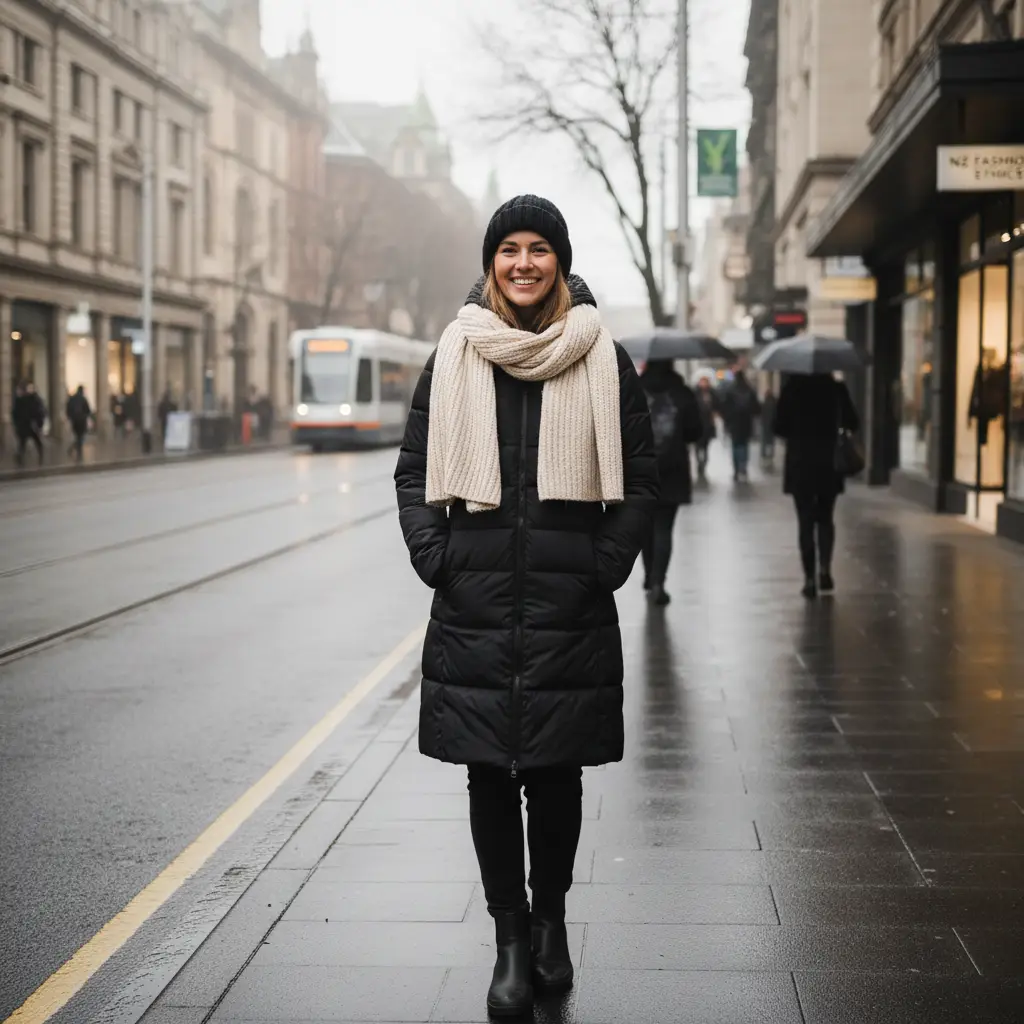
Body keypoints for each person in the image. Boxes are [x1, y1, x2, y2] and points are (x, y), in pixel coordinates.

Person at [395, 195, 657, 1018]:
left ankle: (551, 925)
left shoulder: (602, 357)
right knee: (486, 777)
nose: (522, 263)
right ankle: (510, 940)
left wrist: (605, 564)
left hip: (565, 599)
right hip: (473, 597)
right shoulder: (454, 353)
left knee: (553, 776)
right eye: (508, 248)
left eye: (538, 248)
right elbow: (411, 470)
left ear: (560, 261)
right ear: (491, 262)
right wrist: (435, 558)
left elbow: (643, 474)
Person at [773, 372, 860, 598]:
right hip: (828, 462)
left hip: (800, 463)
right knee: (825, 517)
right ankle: (825, 569)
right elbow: (853, 422)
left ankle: (809, 578)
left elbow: (778, 427)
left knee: (805, 521)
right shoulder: (836, 388)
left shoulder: (791, 389)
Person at [639, 360, 704, 605]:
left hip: (642, 468)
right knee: (664, 527)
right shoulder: (681, 393)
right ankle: (658, 581)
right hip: (673, 469)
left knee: (645, 526)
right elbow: (696, 432)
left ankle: (648, 575)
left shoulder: (635, 388)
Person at [720, 369, 761, 481]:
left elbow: (724, 408)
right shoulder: (750, 390)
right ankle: (743, 467)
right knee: (744, 445)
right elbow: (757, 408)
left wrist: (727, 421)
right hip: (746, 423)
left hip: (734, 424)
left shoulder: (730, 390)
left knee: (735, 445)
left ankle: (736, 469)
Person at [12, 382, 45, 466]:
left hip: (28, 425)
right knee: (26, 442)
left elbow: (38, 411)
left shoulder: (28, 399)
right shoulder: (26, 399)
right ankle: (20, 456)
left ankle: (21, 457)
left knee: (29, 441)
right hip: (28, 425)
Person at [694, 376, 720, 481]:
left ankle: (703, 462)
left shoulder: (712, 393)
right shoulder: (695, 393)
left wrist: (715, 413)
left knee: (705, 446)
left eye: (705, 382)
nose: (703, 384)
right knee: (697, 446)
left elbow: (717, 405)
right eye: (702, 382)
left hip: (708, 424)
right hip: (697, 423)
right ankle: (699, 463)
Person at [65, 385, 92, 463]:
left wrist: (70, 417)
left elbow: (68, 409)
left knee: (78, 436)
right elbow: (88, 410)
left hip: (74, 420)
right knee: (81, 436)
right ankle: (78, 453)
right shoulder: (83, 399)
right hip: (81, 420)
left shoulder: (72, 398)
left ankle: (73, 449)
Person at [760, 385, 778, 470]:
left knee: (764, 442)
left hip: (765, 425)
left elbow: (762, 415)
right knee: (771, 442)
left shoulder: (764, 403)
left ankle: (764, 456)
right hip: (772, 426)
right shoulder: (775, 404)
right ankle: (770, 457)